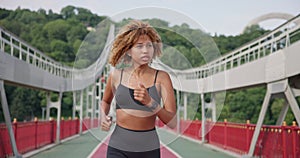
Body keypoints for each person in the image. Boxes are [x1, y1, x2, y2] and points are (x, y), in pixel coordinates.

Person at [100, 19, 177, 158]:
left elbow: (172, 122)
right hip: (118, 147)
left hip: (148, 149)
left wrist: (151, 103)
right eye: (139, 46)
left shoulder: (162, 78)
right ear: (128, 51)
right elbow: (105, 102)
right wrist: (103, 116)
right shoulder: (116, 76)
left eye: (149, 46)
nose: (145, 50)